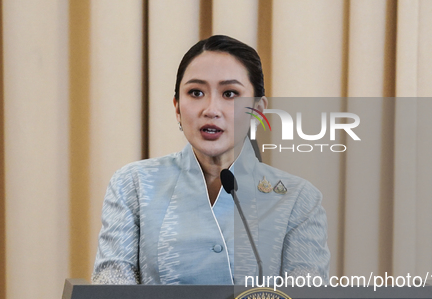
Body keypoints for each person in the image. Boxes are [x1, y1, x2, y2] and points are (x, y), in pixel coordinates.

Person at [92, 35, 329, 285]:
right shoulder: (133, 185)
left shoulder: (298, 198)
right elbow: (111, 291)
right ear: (177, 108)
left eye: (230, 93)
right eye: (196, 93)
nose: (211, 109)